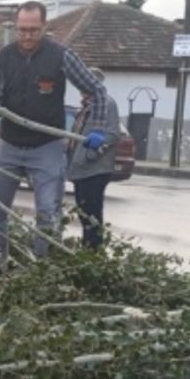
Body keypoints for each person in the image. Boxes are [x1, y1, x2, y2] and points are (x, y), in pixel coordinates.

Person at [0, 0, 110, 281]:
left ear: (44, 27)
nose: (27, 36)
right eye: (22, 30)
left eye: (33, 30)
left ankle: (41, 275)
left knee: (48, 214)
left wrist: (96, 129)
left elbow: (96, 90)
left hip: (46, 146)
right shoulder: (4, 58)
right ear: (16, 28)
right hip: (9, 144)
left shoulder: (61, 56)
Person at [66, 67, 122, 249]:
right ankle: (87, 247)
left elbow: (113, 134)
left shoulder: (106, 103)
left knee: (92, 213)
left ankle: (94, 250)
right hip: (80, 169)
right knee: (83, 213)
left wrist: (92, 151)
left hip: (95, 169)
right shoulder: (86, 107)